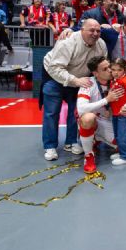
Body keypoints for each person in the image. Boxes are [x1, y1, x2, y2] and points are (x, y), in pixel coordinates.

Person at [41, 19, 107, 161]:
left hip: (79, 79)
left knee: (75, 112)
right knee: (52, 113)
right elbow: (55, 67)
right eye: (91, 30)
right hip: (54, 76)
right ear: (82, 29)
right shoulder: (68, 41)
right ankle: (50, 146)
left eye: (98, 31)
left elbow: (101, 67)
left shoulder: (101, 45)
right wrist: (75, 80)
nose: (95, 33)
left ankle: (71, 142)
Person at [76, 56, 121, 173]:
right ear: (95, 73)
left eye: (109, 67)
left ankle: (97, 138)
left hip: (109, 121)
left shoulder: (117, 81)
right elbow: (81, 108)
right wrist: (106, 100)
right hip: (94, 120)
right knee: (87, 118)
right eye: (105, 69)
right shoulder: (88, 83)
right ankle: (88, 155)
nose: (110, 70)